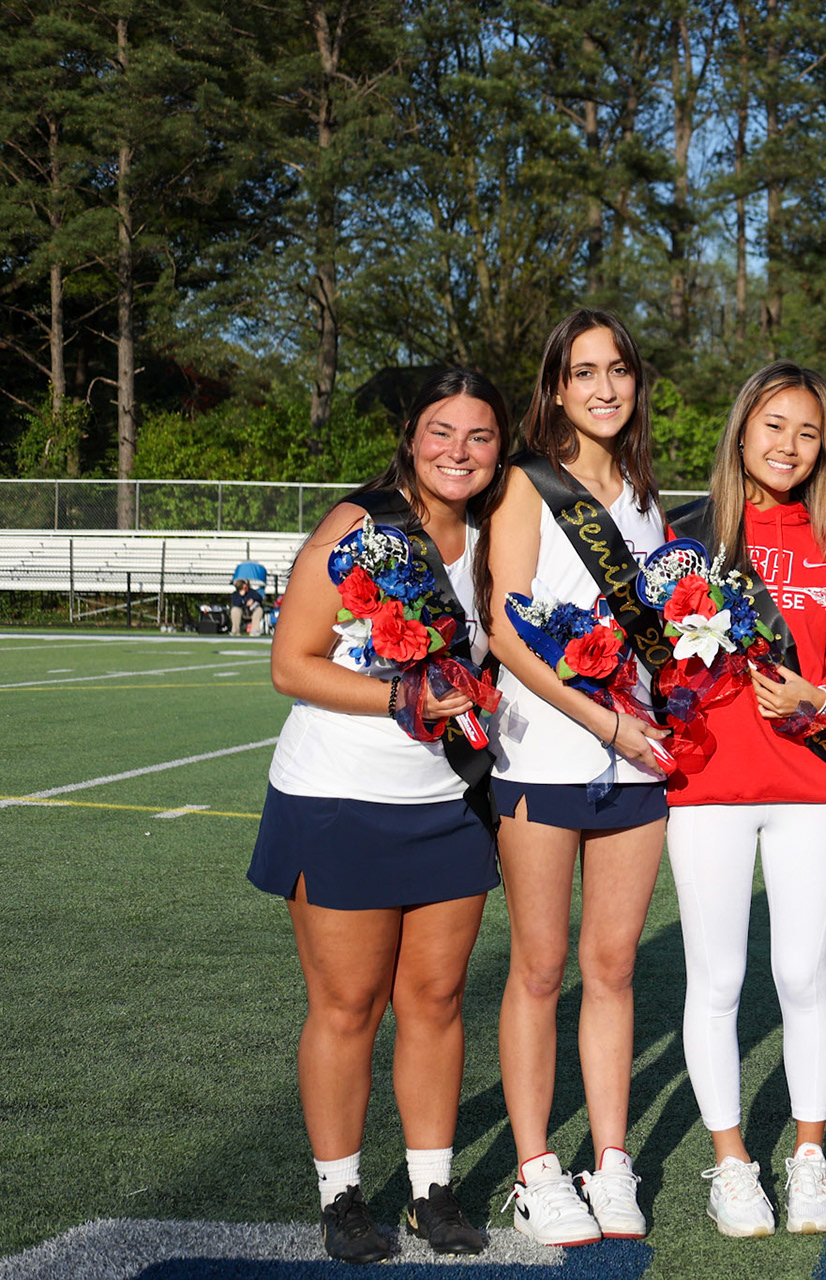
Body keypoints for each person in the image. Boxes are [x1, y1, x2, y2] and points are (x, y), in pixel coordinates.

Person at [248, 369, 510, 1263]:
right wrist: (401, 695)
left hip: (449, 801)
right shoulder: (357, 525)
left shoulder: (490, 536)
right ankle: (343, 1195)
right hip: (339, 798)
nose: (459, 452)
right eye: (442, 433)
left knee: (435, 1000)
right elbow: (293, 663)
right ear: (411, 436)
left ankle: (433, 1189)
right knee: (348, 1003)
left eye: (479, 437)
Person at [660, 362, 826, 1238]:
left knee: (802, 974)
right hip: (708, 785)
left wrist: (818, 699)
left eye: (807, 430)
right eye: (773, 425)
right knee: (717, 979)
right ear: (741, 431)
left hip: (810, 786)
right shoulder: (687, 535)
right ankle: (730, 1165)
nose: (789, 445)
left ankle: (807, 1156)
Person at [486, 310, 671, 1248]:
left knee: (612, 967)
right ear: (556, 387)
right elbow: (508, 631)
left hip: (636, 765)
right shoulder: (525, 485)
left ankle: (611, 1161)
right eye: (584, 372)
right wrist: (608, 723)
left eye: (620, 371)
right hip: (544, 759)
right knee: (541, 967)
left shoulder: (644, 493)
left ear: (636, 386)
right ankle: (534, 1169)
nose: (604, 388)